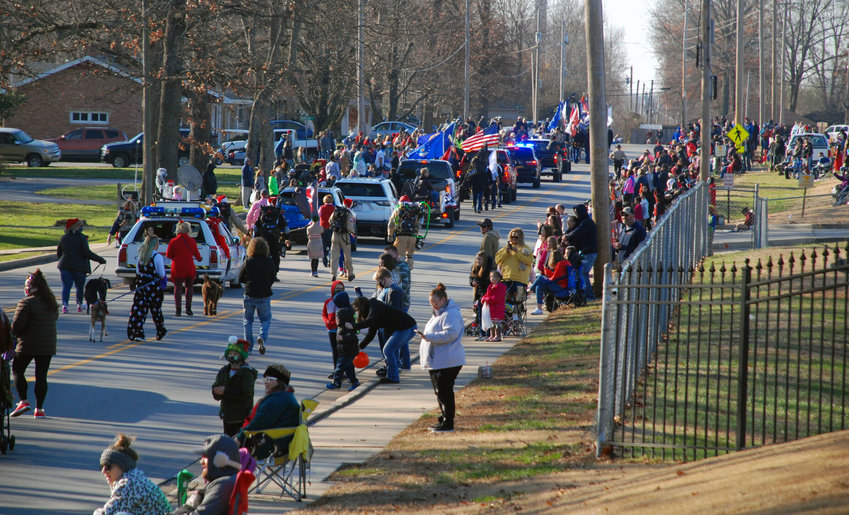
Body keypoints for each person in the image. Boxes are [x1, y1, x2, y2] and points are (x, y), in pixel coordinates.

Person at [10, 269, 58, 419]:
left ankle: (23, 401)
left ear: (36, 287)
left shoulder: (26, 303)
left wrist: (12, 337)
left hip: (27, 344)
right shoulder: (51, 302)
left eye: (28, 286)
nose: (26, 288)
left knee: (18, 370)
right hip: (48, 345)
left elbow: (17, 326)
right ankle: (40, 409)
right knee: (41, 376)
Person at [417, 283, 465, 433]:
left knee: (444, 391)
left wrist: (429, 337)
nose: (433, 305)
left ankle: (448, 422)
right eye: (431, 303)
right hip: (438, 360)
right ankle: (444, 416)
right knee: (440, 391)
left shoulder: (450, 314)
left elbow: (450, 333)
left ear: (444, 300)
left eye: (435, 302)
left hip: (448, 360)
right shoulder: (438, 314)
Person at [95, 433, 171, 515]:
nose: (103, 471)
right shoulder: (134, 477)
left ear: (122, 465)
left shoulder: (127, 484)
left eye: (108, 466)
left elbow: (106, 513)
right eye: (102, 466)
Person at [235, 364, 300, 454]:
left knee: (218, 449)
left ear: (280, 382)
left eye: (269, 379)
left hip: (266, 446)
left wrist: (239, 438)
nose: (265, 382)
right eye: (265, 379)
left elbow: (258, 424)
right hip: (277, 443)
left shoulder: (277, 400)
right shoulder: (285, 396)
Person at [353, 295, 417, 385]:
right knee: (391, 350)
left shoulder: (374, 306)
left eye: (357, 310)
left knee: (388, 350)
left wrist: (353, 327)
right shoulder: (372, 313)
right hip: (403, 328)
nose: (358, 313)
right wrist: (360, 346)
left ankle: (393, 377)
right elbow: (371, 334)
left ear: (361, 307)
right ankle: (393, 374)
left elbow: (370, 321)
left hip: (407, 327)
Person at [171, 434, 241, 515]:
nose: (201, 461)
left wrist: (189, 506)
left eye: (205, 457)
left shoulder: (223, 486)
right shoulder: (224, 481)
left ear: (220, 460)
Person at [57, 217, 107, 313]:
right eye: (80, 226)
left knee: (66, 287)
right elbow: (87, 252)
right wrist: (100, 260)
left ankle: (65, 306)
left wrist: (63, 261)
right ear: (77, 227)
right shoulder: (82, 238)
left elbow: (59, 253)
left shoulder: (63, 238)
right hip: (79, 267)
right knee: (79, 287)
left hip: (65, 266)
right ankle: (79, 304)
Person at [211, 337, 257, 436]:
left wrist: (225, 391)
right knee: (228, 439)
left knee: (240, 441)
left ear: (242, 356)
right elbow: (216, 386)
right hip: (227, 414)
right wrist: (216, 392)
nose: (232, 356)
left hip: (241, 415)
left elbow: (245, 392)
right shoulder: (224, 371)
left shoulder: (246, 373)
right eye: (230, 353)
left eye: (235, 354)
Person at [238, 237, 276, 355]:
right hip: (264, 295)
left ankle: (248, 347)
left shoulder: (248, 261)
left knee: (247, 321)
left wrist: (248, 283)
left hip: (249, 294)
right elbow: (272, 278)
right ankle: (262, 337)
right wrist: (266, 285)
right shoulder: (269, 262)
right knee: (265, 319)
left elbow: (240, 277)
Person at [127, 233, 167, 342]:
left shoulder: (141, 255)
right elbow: (161, 274)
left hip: (141, 286)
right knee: (156, 310)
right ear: (155, 245)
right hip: (153, 287)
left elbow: (138, 271)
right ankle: (160, 329)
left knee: (139, 310)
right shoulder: (157, 257)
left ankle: (137, 332)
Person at [563, 204, 598, 301]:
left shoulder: (587, 223)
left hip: (590, 252)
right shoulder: (582, 222)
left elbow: (578, 232)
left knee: (583, 273)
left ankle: (589, 296)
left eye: (577, 212)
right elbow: (572, 230)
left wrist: (568, 237)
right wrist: (566, 235)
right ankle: (582, 294)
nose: (576, 214)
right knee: (579, 273)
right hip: (584, 252)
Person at [326, 292, 360, 391]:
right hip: (345, 348)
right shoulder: (347, 321)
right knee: (349, 367)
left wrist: (343, 339)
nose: (336, 319)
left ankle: (336, 382)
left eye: (337, 317)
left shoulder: (347, 325)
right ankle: (354, 382)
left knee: (340, 366)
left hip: (347, 348)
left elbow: (352, 336)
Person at [166, 221, 201, 317]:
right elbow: (197, 255)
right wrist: (199, 258)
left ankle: (178, 310)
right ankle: (188, 308)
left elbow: (168, 255)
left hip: (177, 267)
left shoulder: (173, 241)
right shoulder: (192, 241)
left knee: (177, 287)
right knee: (189, 287)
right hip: (189, 266)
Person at [528, 248, 574, 314]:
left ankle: (530, 291)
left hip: (561, 287)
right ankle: (539, 308)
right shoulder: (567, 262)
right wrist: (547, 272)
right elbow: (557, 276)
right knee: (539, 285)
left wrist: (545, 277)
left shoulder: (560, 264)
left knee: (540, 278)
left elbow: (554, 279)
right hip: (563, 285)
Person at [494, 227, 534, 301]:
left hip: (520, 280)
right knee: (505, 301)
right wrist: (506, 252)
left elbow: (529, 261)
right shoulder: (506, 248)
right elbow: (497, 260)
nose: (514, 239)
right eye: (512, 237)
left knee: (518, 301)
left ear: (521, 238)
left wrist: (517, 253)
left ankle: (518, 311)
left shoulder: (525, 249)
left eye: (516, 237)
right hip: (507, 278)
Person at [387, 196, 422, 269]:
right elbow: (418, 224)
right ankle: (408, 270)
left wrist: (390, 235)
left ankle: (401, 271)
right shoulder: (414, 210)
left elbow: (391, 223)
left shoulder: (398, 209)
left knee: (400, 255)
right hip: (413, 236)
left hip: (401, 236)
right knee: (409, 255)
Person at [329, 202, 356, 282]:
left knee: (334, 255)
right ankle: (350, 273)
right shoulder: (349, 213)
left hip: (335, 235)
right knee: (347, 255)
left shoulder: (336, 211)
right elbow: (349, 227)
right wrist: (353, 233)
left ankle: (333, 274)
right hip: (345, 236)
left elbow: (330, 220)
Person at [480, 270, 506, 342]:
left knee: (497, 323)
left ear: (498, 278)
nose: (492, 278)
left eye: (494, 276)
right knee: (491, 323)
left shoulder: (501, 287)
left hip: (497, 308)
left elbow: (496, 298)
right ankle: (492, 335)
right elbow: (487, 295)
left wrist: (487, 299)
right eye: (491, 276)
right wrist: (483, 298)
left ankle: (498, 336)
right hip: (491, 308)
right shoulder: (490, 287)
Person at [318, 195, 336, 267]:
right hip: (331, 228)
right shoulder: (334, 208)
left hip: (322, 228)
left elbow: (318, 216)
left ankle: (324, 259)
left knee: (323, 245)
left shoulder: (321, 208)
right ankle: (330, 258)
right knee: (332, 245)